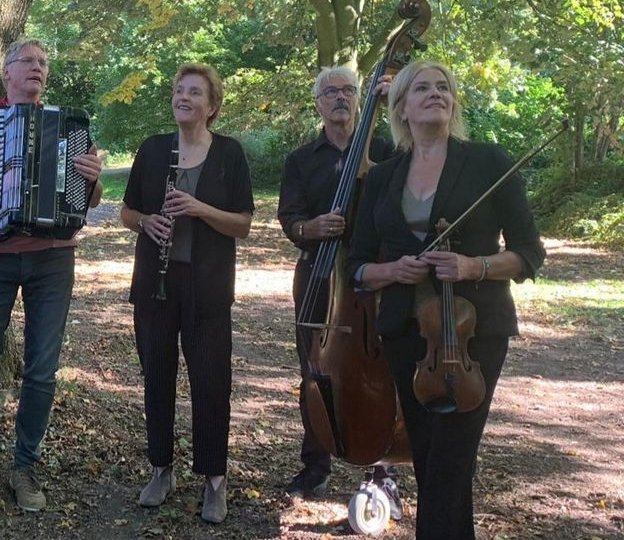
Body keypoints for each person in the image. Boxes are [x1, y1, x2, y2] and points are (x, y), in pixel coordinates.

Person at [346, 60, 546, 539]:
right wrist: (392, 270)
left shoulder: (488, 162)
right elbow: (358, 264)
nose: (435, 93)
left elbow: (529, 253)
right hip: (405, 330)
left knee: (451, 459)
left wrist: (474, 265)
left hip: (473, 329)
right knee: (430, 454)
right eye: (422, 88)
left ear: (453, 102)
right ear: (402, 106)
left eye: (443, 87)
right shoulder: (382, 176)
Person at [0, 38, 103, 512]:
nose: (37, 68)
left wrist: (92, 175)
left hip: (54, 258)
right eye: (27, 61)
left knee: (41, 368)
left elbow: (87, 203)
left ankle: (24, 465)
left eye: (43, 62)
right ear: (6, 73)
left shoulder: (69, 123)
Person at [120, 63, 254, 524]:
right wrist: (146, 221)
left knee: (211, 383)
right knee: (157, 377)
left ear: (211, 106)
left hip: (209, 286)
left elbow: (243, 224)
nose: (184, 97)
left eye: (195, 92)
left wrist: (198, 207)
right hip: (155, 285)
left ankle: (214, 478)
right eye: (179, 90)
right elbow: (125, 211)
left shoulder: (229, 155)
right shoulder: (154, 150)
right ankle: (161, 469)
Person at [278, 65, 402, 513]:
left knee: (378, 372)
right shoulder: (300, 159)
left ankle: (381, 469)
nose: (340, 98)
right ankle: (315, 464)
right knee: (315, 369)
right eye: (330, 92)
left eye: (348, 90)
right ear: (318, 103)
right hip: (317, 275)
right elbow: (288, 217)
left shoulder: (386, 149)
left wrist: (394, 108)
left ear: (358, 98)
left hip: (373, 276)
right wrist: (309, 227)